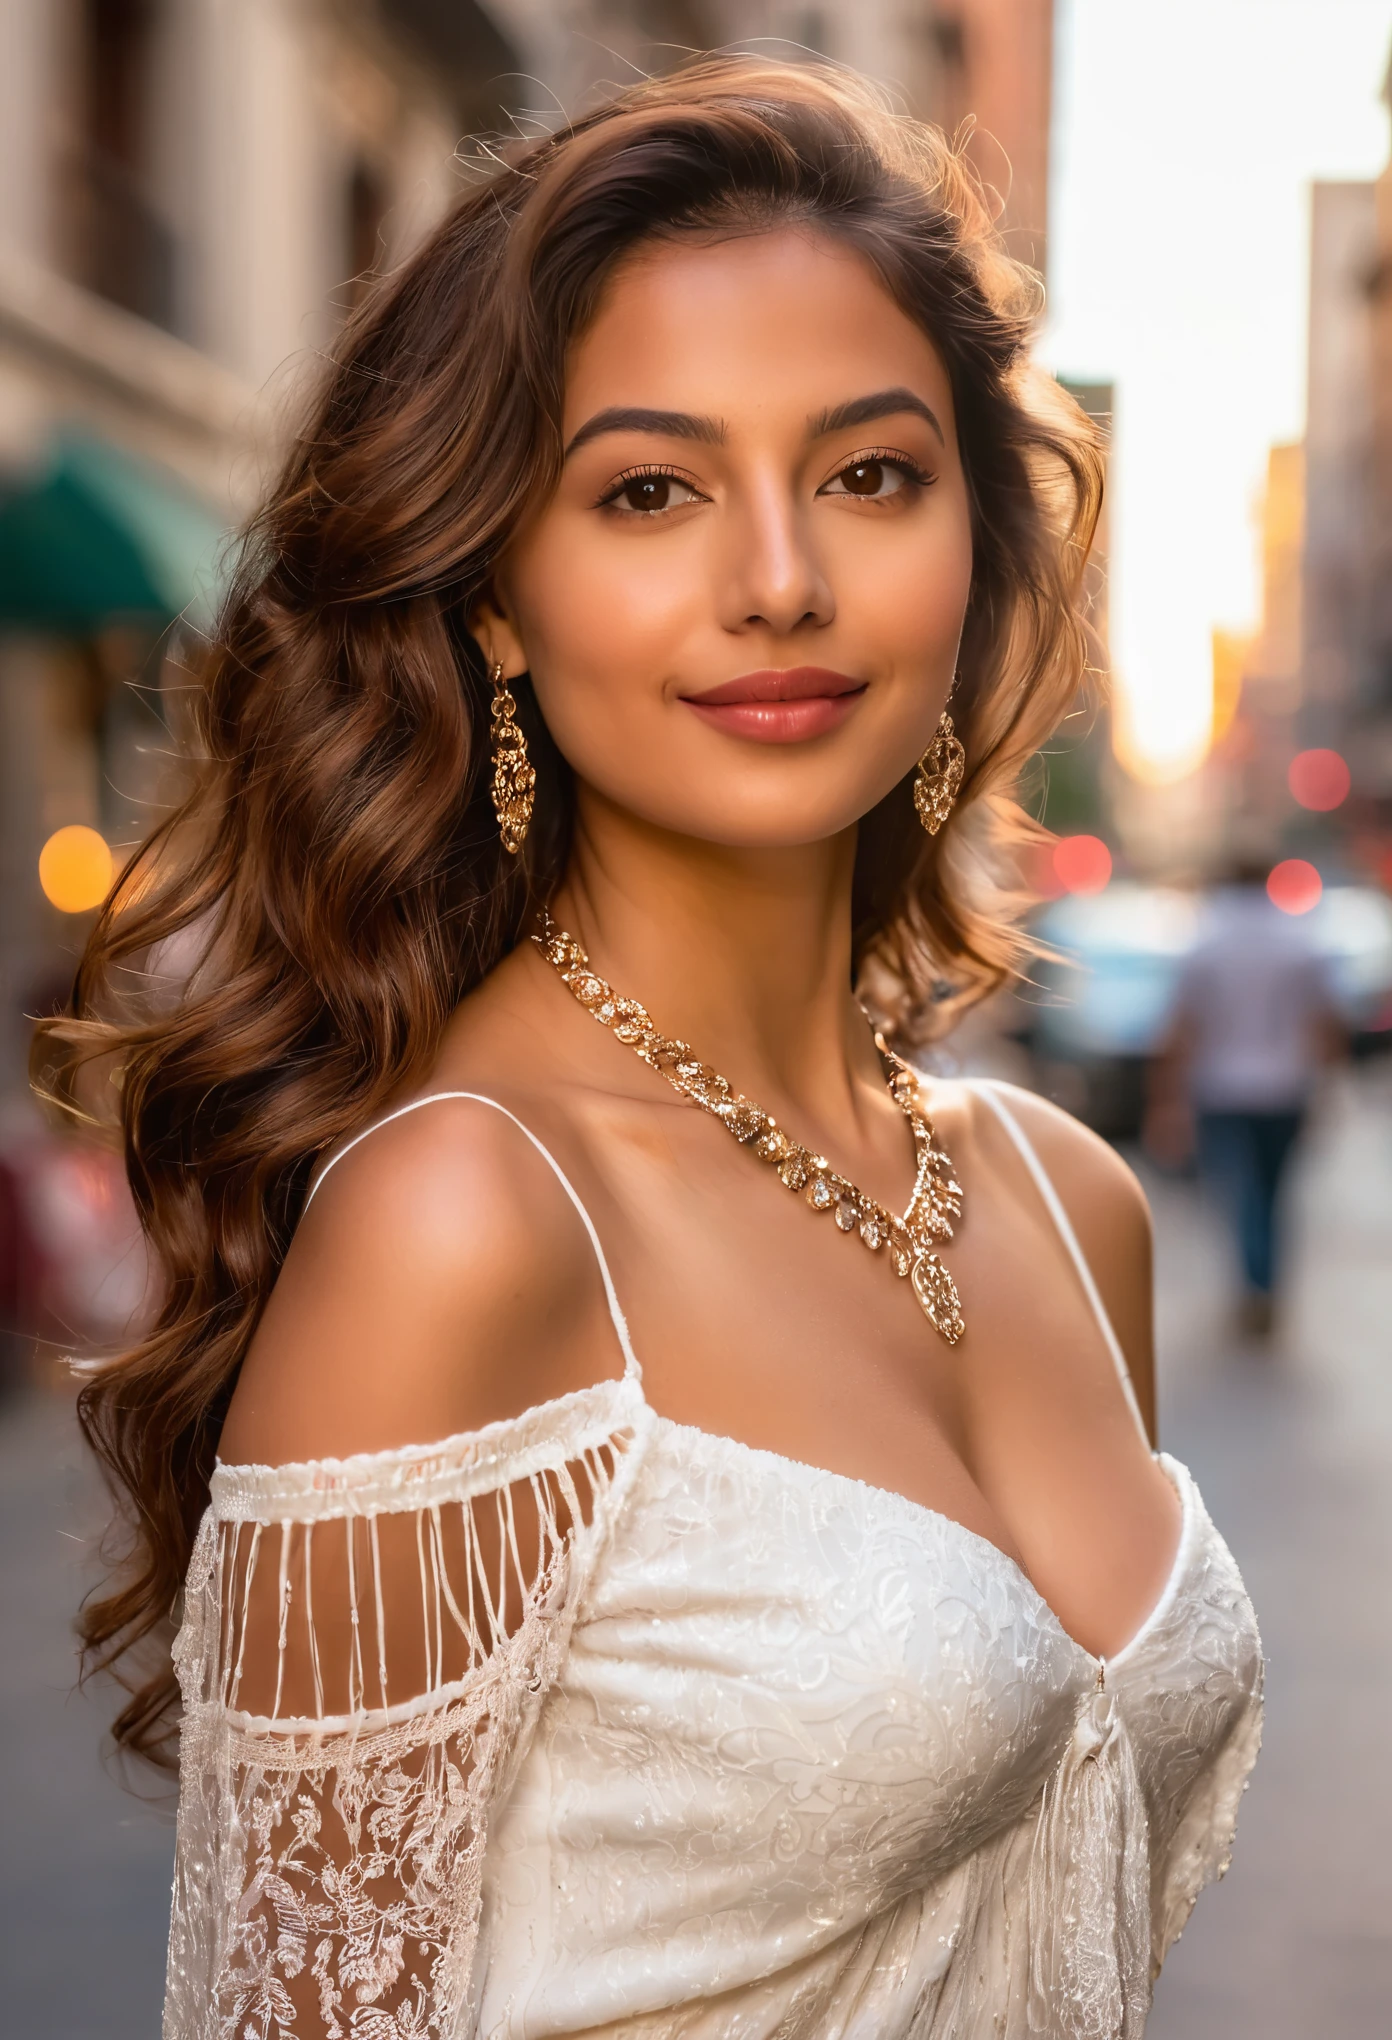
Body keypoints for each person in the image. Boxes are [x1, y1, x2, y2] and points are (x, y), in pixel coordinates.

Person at [41, 59, 1262, 2039]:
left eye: (870, 472)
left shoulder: (1070, 1204)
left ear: (972, 549)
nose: (778, 576)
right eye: (648, 491)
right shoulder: (470, 1221)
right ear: (502, 600)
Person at [1151, 858, 1342, 1336]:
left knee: (1241, 1191)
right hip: (1285, 1087)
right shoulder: (1300, 942)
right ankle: (1264, 1282)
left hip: (1221, 1088)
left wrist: (1166, 1101)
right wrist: (1328, 1088)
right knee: (1274, 1194)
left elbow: (1180, 1030)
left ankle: (1256, 1284)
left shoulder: (1205, 945)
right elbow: (1324, 1024)